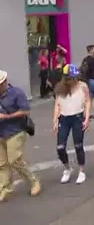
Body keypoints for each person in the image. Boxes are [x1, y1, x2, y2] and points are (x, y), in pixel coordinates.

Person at [0, 70, 41, 201]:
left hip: (15, 130)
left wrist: (7, 116)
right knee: (2, 163)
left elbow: (25, 110)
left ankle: (33, 181)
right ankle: (5, 188)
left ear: (5, 82)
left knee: (14, 159)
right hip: (1, 133)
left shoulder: (16, 93)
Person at [52, 64, 91, 184]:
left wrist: (87, 117)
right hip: (64, 119)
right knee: (60, 147)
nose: (74, 80)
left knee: (78, 145)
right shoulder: (60, 88)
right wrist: (55, 120)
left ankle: (81, 171)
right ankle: (67, 168)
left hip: (77, 117)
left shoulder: (82, 86)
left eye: (75, 77)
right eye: (71, 78)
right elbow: (57, 105)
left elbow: (87, 101)